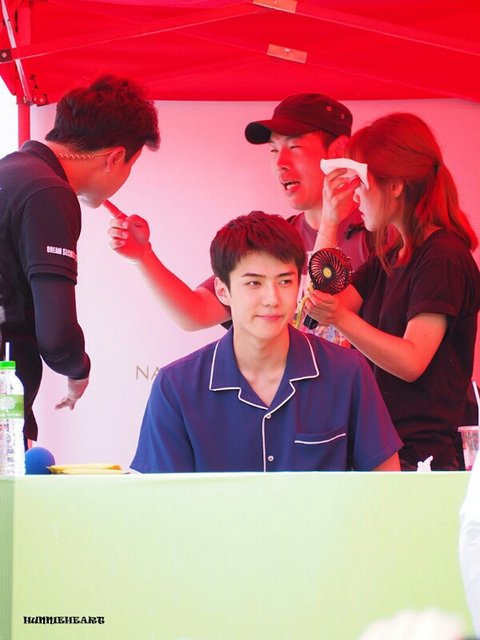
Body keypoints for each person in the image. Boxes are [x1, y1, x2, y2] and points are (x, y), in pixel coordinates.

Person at [131, 211, 402, 473]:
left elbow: (387, 485)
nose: (272, 299)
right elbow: (160, 498)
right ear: (223, 291)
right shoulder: (176, 387)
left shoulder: (347, 372)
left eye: (284, 281)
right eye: (254, 284)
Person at [107, 94, 368, 342]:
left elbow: (320, 325)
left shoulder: (379, 237)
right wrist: (143, 255)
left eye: (294, 146)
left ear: (338, 150)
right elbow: (195, 312)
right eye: (273, 149)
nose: (281, 162)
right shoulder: (279, 236)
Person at [305, 113, 480, 471]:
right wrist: (329, 221)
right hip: (382, 449)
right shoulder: (390, 256)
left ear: (396, 186)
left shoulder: (443, 257)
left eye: (361, 182)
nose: (355, 193)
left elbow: (412, 361)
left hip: (422, 460)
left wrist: (340, 318)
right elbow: (318, 306)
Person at [0, 74, 160, 443]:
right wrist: (78, 370)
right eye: (131, 165)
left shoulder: (11, 170)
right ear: (116, 157)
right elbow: (57, 338)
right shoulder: (48, 192)